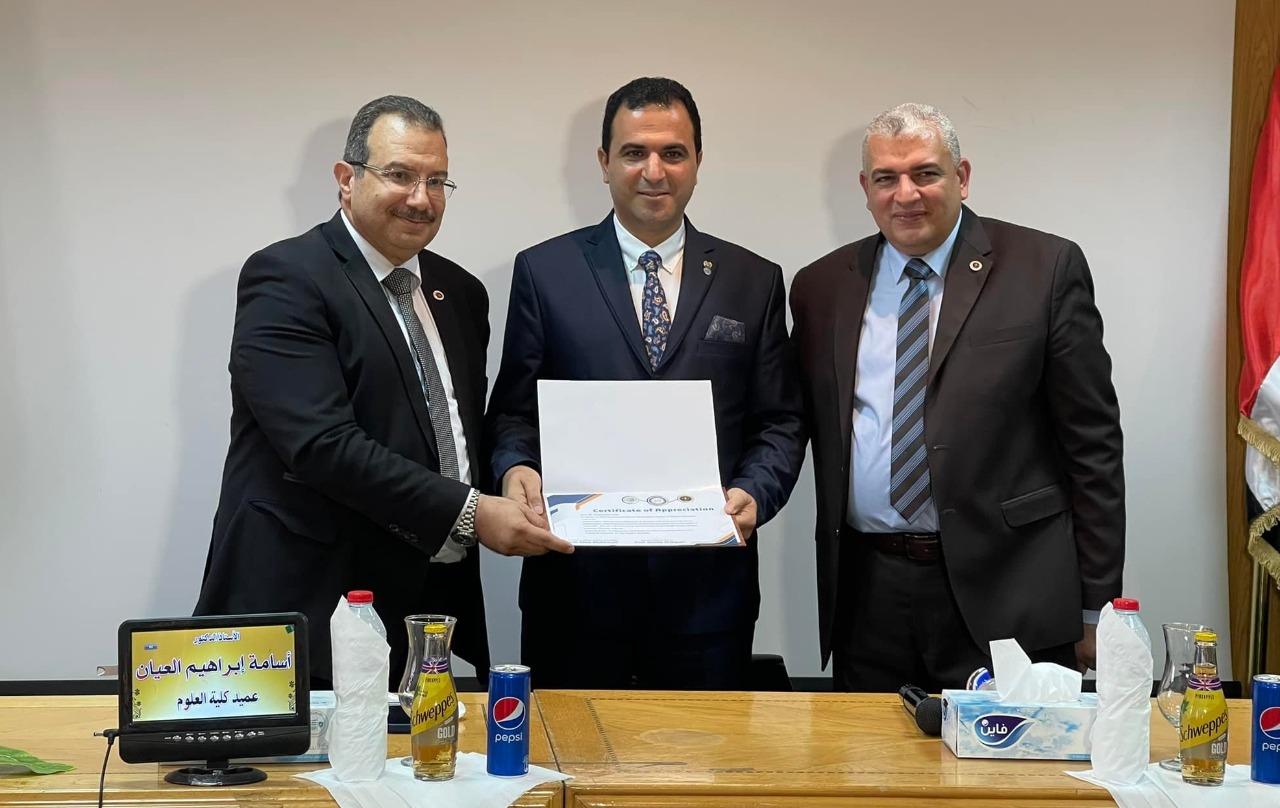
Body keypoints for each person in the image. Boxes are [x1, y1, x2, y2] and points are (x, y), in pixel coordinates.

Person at [194, 95, 571, 690]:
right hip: (315, 604)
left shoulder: (459, 292)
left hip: (430, 606)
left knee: (434, 749)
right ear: (347, 179)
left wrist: (513, 470)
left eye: (437, 180)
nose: (421, 198)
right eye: (400, 174)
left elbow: (456, 428)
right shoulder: (287, 277)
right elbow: (322, 445)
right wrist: (472, 512)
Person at [789, 102, 1125, 693]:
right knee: (868, 752)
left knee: (1011, 753)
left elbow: (1092, 448)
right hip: (869, 596)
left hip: (1010, 588)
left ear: (962, 177)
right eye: (886, 178)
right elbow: (796, 421)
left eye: (925, 173)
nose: (906, 194)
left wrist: (1097, 606)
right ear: (865, 189)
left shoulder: (1044, 268)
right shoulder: (821, 287)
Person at [486, 77, 806, 690]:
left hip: (707, 598)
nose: (654, 171)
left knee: (700, 753)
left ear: (698, 161)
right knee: (568, 751)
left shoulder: (753, 279)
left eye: (673, 153)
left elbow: (780, 421)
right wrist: (514, 468)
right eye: (634, 152)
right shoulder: (545, 271)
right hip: (574, 589)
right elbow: (513, 412)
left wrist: (754, 494)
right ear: (604, 161)